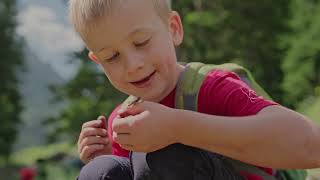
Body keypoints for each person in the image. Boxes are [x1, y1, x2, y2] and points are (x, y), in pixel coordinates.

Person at [68, 0, 320, 179]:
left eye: (141, 42)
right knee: (99, 172)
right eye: (112, 57)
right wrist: (110, 157)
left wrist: (176, 128)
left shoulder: (213, 86)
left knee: (165, 154)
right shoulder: (123, 122)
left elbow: (313, 146)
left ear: (173, 29)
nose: (133, 65)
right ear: (98, 62)